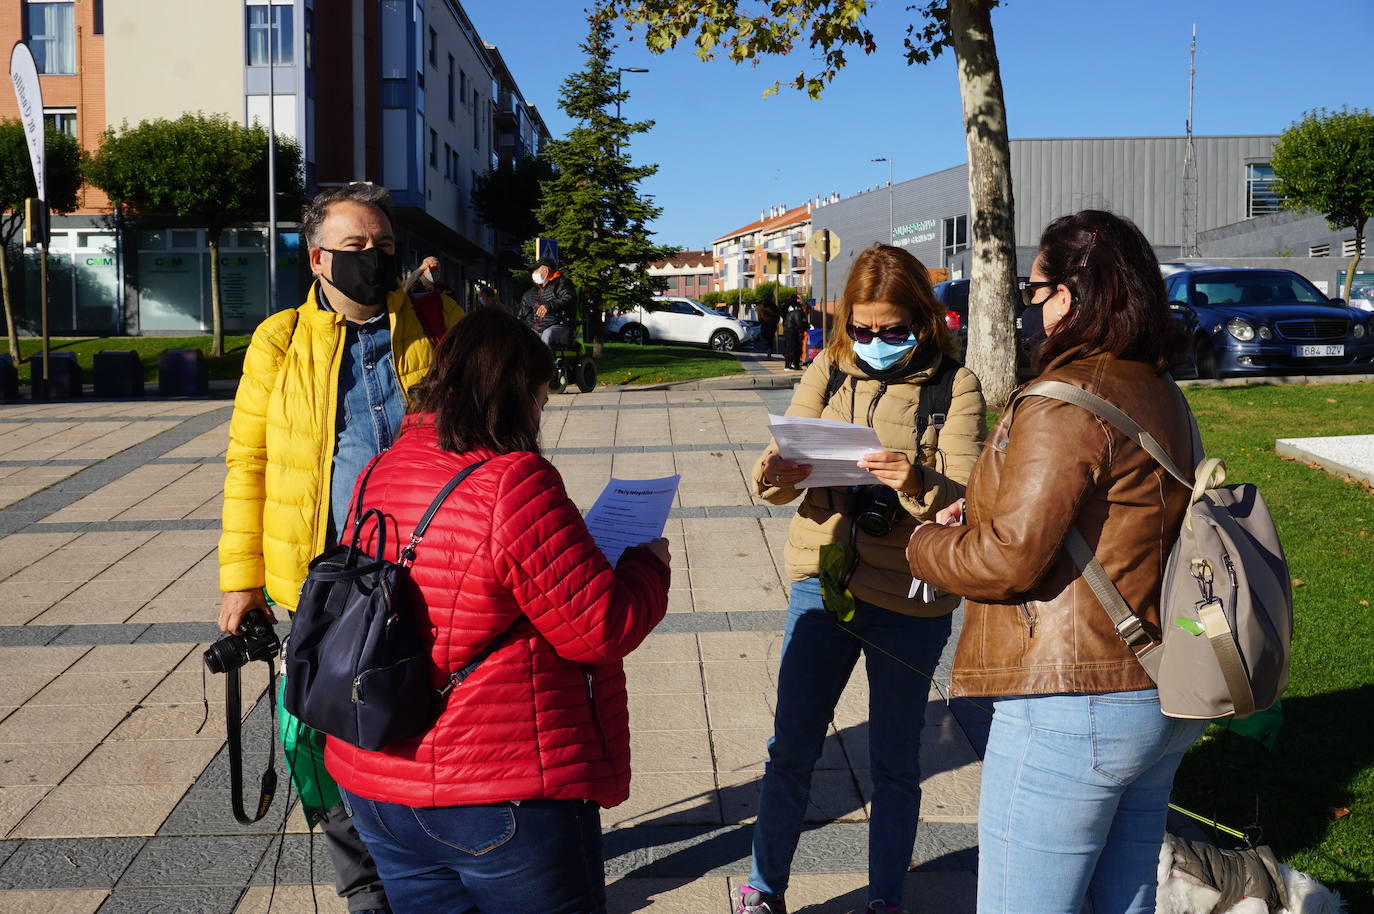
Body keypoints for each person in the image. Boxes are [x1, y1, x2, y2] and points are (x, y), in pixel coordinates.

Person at [906, 210, 1205, 914]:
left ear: (1069, 295)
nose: (1031, 310)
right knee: (1123, 900)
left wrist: (922, 545)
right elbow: (1112, 521)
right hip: (1158, 683)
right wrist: (980, 514)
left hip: (1075, 700)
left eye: (1034, 291)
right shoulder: (1155, 388)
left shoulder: (1063, 402)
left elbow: (1011, 560)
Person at [323, 310, 671, 913]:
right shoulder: (514, 480)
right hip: (493, 787)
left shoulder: (385, 463)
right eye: (539, 398)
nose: (540, 414)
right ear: (516, 396)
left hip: (378, 779)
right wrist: (649, 566)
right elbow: (600, 627)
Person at [218, 183, 463, 914]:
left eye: (385, 246)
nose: (375, 258)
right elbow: (249, 462)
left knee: (425, 727)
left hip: (427, 569)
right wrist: (241, 581)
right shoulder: (279, 340)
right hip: (323, 582)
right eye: (357, 248)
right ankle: (366, 888)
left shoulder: (435, 320)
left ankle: (434, 866)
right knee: (327, 738)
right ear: (318, 259)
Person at [737, 244, 986, 914]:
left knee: (895, 762)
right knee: (790, 747)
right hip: (824, 578)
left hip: (911, 596)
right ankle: (763, 890)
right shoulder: (828, 365)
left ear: (925, 321)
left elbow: (967, 495)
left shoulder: (955, 386)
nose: (874, 343)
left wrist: (917, 481)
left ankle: (885, 900)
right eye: (863, 329)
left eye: (893, 330)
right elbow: (774, 459)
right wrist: (775, 473)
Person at [520, 256, 577, 347]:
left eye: (535, 270)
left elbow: (569, 298)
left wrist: (549, 306)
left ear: (546, 270)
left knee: (547, 335)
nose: (533, 273)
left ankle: (544, 361)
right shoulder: (530, 293)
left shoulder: (562, 283)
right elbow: (523, 314)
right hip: (536, 329)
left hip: (560, 326)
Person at [781, 294, 808, 370]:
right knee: (793, 347)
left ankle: (792, 364)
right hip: (793, 329)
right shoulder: (797, 308)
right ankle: (791, 364)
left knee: (791, 347)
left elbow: (782, 314)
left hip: (789, 328)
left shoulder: (787, 306)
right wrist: (804, 326)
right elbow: (799, 319)